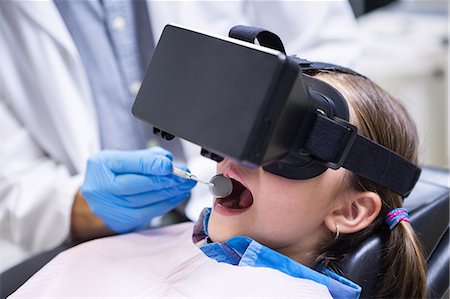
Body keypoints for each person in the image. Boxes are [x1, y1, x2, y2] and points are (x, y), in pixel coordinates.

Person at [0, 0, 360, 271]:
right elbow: (11, 186)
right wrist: (82, 206)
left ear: (351, 210)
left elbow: (334, 75)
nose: (226, 161)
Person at [8, 66, 426, 298]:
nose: (239, 157)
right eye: (250, 132)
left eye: (290, 144)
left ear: (350, 210)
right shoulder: (165, 240)